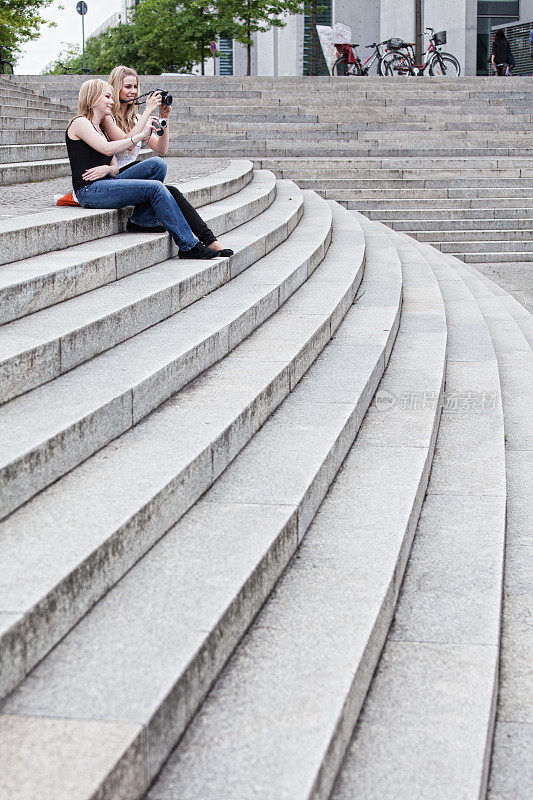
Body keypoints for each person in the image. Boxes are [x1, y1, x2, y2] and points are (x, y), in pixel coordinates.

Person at [65, 79, 217, 259]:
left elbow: (115, 168)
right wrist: (139, 137)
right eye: (107, 96)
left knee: (157, 164)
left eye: (112, 97)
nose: (112, 101)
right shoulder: (80, 123)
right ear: (92, 97)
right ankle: (188, 245)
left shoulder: (101, 128)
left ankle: (143, 220)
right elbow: (106, 149)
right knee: (156, 187)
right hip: (89, 191)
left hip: (106, 182)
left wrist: (106, 169)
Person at [103, 65, 232, 256]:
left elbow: (162, 149)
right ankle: (146, 222)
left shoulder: (137, 118)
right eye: (127, 87)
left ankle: (210, 240)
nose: (133, 92)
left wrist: (164, 117)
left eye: (135, 87)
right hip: (113, 179)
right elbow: (127, 143)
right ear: (116, 88)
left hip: (131, 178)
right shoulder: (108, 117)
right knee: (156, 165)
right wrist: (147, 112)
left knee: (170, 190)